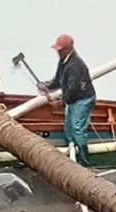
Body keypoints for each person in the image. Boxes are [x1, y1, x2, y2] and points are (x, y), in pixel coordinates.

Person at [40, 35, 97, 166]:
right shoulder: (63, 62)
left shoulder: (74, 65)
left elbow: (73, 89)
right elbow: (58, 80)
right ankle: (72, 156)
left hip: (83, 98)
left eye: (60, 50)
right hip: (73, 99)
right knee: (68, 129)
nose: (57, 52)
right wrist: (47, 85)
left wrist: (61, 101)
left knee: (77, 128)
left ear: (67, 49)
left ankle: (84, 161)